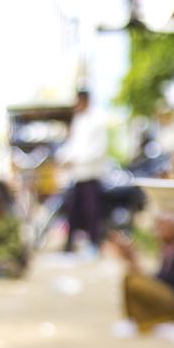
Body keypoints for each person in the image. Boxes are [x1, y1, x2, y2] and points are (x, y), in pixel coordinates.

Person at [109, 213, 174, 333]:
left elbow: (165, 283)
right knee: (131, 278)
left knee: (135, 281)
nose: (159, 231)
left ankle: (141, 321)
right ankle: (136, 321)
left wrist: (134, 261)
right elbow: (160, 279)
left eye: (163, 226)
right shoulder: (173, 247)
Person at [57, 89, 109, 253]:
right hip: (77, 176)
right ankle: (69, 245)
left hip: (91, 174)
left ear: (84, 101)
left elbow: (98, 149)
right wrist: (62, 157)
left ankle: (94, 244)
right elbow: (72, 146)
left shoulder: (97, 120)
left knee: (91, 212)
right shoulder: (78, 121)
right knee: (72, 210)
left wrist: (76, 160)